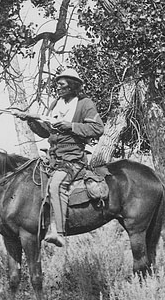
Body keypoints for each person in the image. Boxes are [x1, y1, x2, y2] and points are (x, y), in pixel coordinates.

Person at [22, 68, 104, 247]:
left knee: (56, 185)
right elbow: (45, 132)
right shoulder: (55, 104)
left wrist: (71, 126)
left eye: (62, 84)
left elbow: (98, 129)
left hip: (73, 159)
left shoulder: (85, 104)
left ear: (72, 86)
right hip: (53, 158)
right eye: (57, 84)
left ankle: (58, 232)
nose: (57, 87)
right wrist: (30, 120)